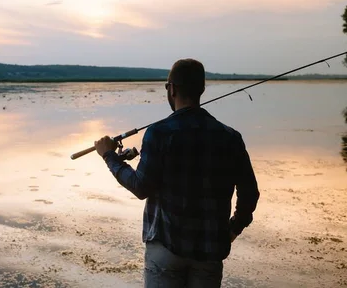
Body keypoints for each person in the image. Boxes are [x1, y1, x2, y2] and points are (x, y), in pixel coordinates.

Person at [94, 58, 260, 288]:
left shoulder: (159, 133)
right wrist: (234, 228)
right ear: (201, 89)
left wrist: (108, 156)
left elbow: (141, 187)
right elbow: (250, 193)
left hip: (165, 248)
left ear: (171, 89)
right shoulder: (231, 137)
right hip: (210, 252)